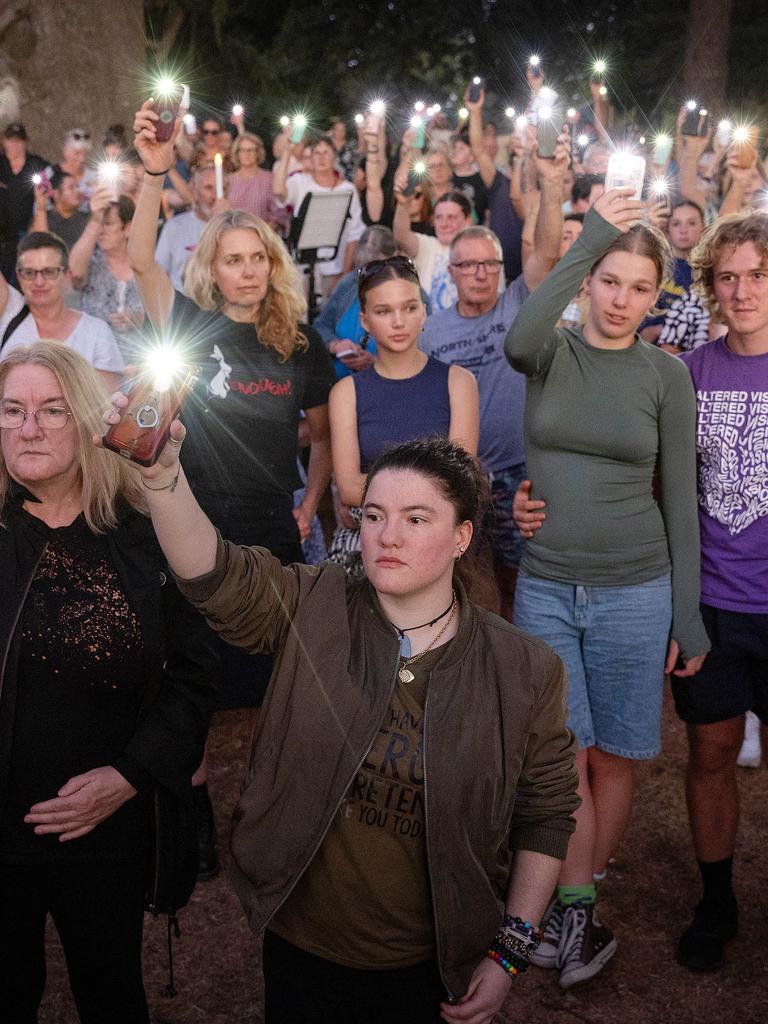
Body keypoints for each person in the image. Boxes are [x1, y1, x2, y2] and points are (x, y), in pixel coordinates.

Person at [97, 408, 580, 1022]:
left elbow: (545, 813)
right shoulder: (315, 604)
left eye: (416, 518)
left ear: (461, 536)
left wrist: (509, 952)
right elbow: (216, 575)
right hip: (301, 948)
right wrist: (164, 478)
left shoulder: (523, 670)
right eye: (374, 516)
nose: (388, 536)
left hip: (428, 965)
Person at [504, 189, 710, 988]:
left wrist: (685, 615)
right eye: (610, 280)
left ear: (659, 294)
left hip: (636, 589)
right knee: (561, 756)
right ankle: (576, 908)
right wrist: (589, 232)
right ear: (589, 281)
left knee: (616, 757)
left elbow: (681, 500)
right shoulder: (550, 352)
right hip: (548, 585)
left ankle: (575, 909)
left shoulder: (666, 376)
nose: (622, 300)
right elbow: (524, 329)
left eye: (640, 287)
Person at [129, 98, 336, 870]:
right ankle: (192, 820)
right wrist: (156, 170)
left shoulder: (300, 342)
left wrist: (312, 499)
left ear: (272, 265)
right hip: (193, 532)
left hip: (273, 536)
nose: (246, 271)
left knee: (278, 688)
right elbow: (143, 259)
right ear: (212, 269)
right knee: (195, 685)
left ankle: (271, 818)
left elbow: (318, 433)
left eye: (257, 259)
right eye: (232, 259)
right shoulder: (189, 324)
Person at [0, 341, 217, 1024]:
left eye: (50, 410)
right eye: (11, 410)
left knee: (111, 992)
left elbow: (195, 674)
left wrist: (129, 776)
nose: (27, 427)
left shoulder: (145, 535)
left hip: (106, 828)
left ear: (90, 422)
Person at [669, 211, 768, 972]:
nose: (741, 290)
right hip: (712, 604)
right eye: (727, 276)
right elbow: (656, 487)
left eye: (757, 274)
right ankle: (717, 900)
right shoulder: (688, 374)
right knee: (711, 751)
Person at [420, 133, 568, 620]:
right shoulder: (431, 329)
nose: (481, 273)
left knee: (522, 577)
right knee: (466, 583)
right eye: (469, 265)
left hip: (519, 472)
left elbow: (546, 248)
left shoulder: (519, 304)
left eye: (490, 264)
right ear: (453, 270)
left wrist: (549, 187)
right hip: (458, 477)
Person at [328, 255, 478, 578]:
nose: (399, 321)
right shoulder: (345, 393)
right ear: (365, 320)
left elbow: (459, 479)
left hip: (437, 556)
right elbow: (348, 486)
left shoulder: (459, 383)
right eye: (384, 311)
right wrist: (423, 496)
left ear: (424, 311)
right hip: (364, 556)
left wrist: (375, 501)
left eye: (409, 308)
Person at [1, 232, 124, 392]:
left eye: (49, 272)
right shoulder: (8, 314)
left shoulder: (96, 332)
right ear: (19, 277)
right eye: (29, 273)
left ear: (67, 276)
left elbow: (110, 403)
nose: (39, 282)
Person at [273, 131, 366, 298]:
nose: (321, 158)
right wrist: (287, 152)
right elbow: (279, 191)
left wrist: (344, 273)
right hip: (302, 270)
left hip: (334, 268)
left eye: (326, 153)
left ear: (335, 157)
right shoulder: (300, 182)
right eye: (317, 153)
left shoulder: (348, 190)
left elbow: (354, 233)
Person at [313, 224, 398, 377]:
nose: (369, 278)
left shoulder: (411, 294)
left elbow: (421, 350)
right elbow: (321, 326)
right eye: (363, 270)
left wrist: (375, 362)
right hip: (340, 383)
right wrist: (335, 345)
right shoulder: (349, 283)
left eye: (378, 270)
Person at [68, 191, 144, 358]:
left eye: (108, 224)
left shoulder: (146, 269)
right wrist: (95, 220)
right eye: (98, 224)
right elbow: (74, 273)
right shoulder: (92, 263)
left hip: (140, 364)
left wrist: (140, 319)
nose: (100, 231)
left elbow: (165, 316)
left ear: (128, 228)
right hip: (93, 359)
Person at [465, 87, 524, 281]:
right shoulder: (499, 181)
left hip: (528, 275)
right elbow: (478, 149)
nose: (518, 138)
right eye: (516, 135)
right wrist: (474, 113)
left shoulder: (542, 187)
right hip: (497, 274)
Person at [640, 199, 710, 352]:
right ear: (668, 229)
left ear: (703, 228)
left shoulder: (708, 272)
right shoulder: (653, 265)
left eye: (691, 223)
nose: (683, 230)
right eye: (676, 223)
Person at [393, 189, 474, 311]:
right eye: (438, 217)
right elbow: (401, 235)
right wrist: (403, 204)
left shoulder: (482, 250)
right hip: (429, 326)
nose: (444, 224)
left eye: (451, 217)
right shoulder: (427, 245)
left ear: (468, 221)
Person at [154, 164, 229, 292]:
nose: (215, 196)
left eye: (222, 188)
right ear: (194, 193)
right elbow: (159, 273)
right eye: (208, 188)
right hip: (183, 304)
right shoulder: (175, 227)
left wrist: (224, 222)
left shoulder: (237, 227)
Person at [0, 122, 47, 278]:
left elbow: (50, 186)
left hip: (25, 233)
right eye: (10, 140)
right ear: (4, 141)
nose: (14, 145)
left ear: (25, 142)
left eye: (18, 141)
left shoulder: (37, 164)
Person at [228, 132, 283, 227]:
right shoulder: (228, 180)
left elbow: (277, 214)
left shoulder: (269, 179)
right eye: (242, 150)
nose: (246, 154)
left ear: (258, 153)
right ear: (237, 153)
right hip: (234, 233)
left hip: (262, 234)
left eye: (251, 150)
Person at [30, 170, 90, 250]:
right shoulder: (43, 217)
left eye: (77, 187)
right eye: (71, 187)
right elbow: (38, 244)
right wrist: (41, 208)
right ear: (56, 194)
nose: (77, 191)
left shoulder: (87, 219)